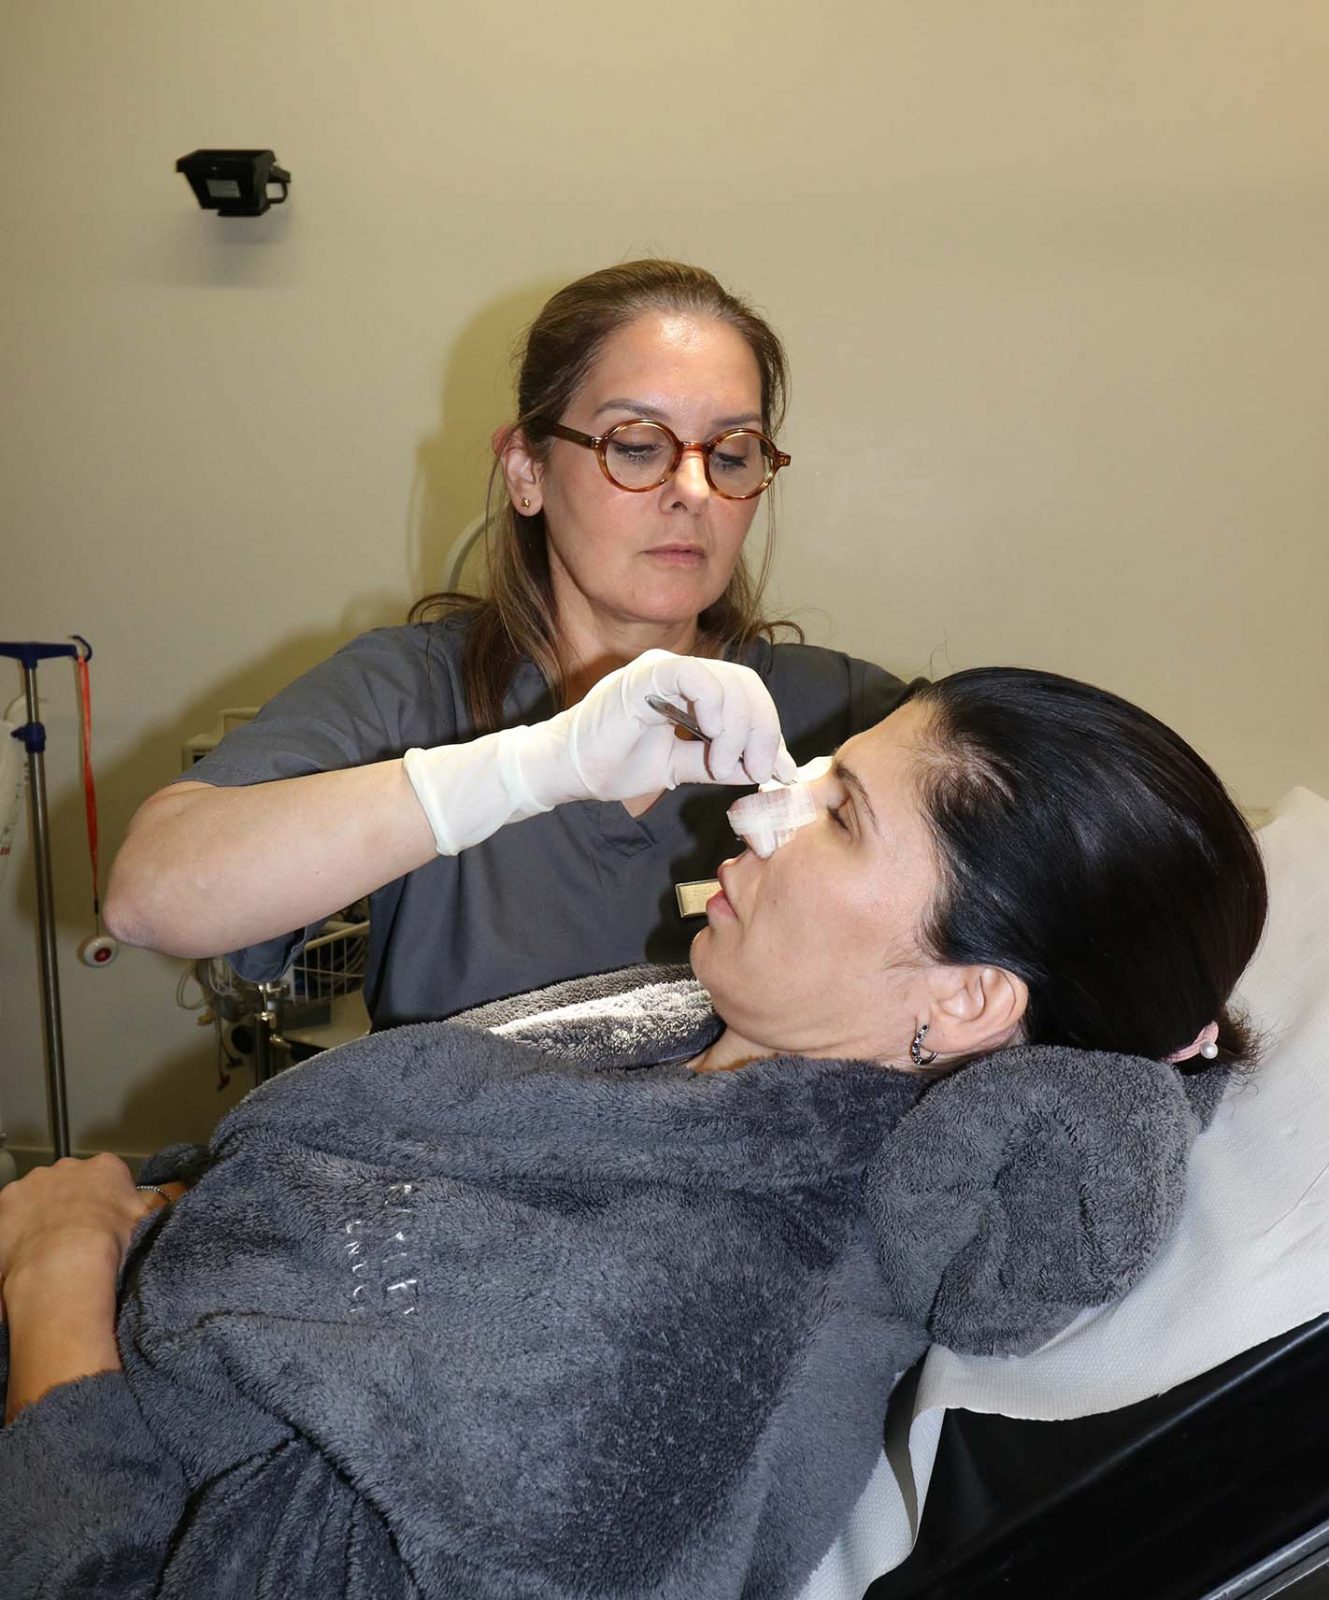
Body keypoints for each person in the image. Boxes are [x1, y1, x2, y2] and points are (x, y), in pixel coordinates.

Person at [0, 667, 1267, 1600]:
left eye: (841, 816)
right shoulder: (703, 1024)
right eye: (817, 777)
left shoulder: (685, 1343)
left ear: (968, 996)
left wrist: (54, 1288)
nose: (758, 815)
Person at [103, 260, 908, 1026]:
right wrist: (533, 768)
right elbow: (150, 899)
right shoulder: (410, 694)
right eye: (636, 445)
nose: (693, 492)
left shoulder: (851, 719)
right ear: (526, 471)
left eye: (731, 454)